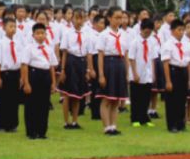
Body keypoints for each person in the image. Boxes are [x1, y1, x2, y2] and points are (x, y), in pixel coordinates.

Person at [94, 8, 130, 136]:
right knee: (106, 99)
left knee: (116, 99)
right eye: (116, 17)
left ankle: (113, 126)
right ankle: (106, 127)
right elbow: (100, 55)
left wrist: (127, 72)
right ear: (109, 18)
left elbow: (125, 54)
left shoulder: (124, 34)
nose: (119, 20)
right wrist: (101, 74)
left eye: (121, 17)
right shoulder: (104, 34)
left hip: (120, 65)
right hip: (109, 64)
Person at [21, 23, 58, 139]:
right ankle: (31, 132)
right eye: (38, 33)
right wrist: (26, 83)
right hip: (33, 74)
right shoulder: (29, 48)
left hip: (45, 75)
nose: (40, 36)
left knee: (44, 104)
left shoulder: (49, 49)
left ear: (46, 35)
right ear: (33, 35)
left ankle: (42, 131)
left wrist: (53, 82)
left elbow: (52, 66)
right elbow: (24, 65)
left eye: (42, 33)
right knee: (32, 104)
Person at [58, 9, 93, 130]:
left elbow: (88, 53)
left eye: (81, 18)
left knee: (78, 94)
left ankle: (75, 121)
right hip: (71, 62)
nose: (79, 21)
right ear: (72, 19)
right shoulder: (67, 33)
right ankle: (66, 121)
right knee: (68, 93)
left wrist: (88, 70)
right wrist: (62, 70)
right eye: (77, 18)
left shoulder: (87, 34)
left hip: (81, 62)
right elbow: (65, 52)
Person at [0, 16, 24, 132]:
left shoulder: (18, 43)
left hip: (15, 73)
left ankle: (12, 124)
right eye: (10, 26)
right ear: (4, 28)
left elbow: (21, 61)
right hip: (4, 74)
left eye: (14, 26)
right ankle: (1, 124)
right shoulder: (0, 43)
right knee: (3, 100)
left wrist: (21, 76)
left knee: (14, 100)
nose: (13, 29)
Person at [160, 19, 190, 133]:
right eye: (179, 30)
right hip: (173, 71)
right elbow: (166, 63)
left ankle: (181, 123)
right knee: (172, 100)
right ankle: (172, 124)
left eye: (183, 30)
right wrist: (168, 81)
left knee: (182, 99)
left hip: (183, 71)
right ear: (172, 31)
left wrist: (189, 79)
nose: (181, 32)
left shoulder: (185, 44)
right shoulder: (168, 44)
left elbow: (188, 62)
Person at [129, 21, 157, 128]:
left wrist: (153, 73)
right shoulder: (135, 42)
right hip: (137, 72)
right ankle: (135, 118)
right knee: (136, 97)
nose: (147, 34)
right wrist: (135, 73)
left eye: (149, 32)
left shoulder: (152, 42)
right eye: (146, 32)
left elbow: (153, 59)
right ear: (141, 29)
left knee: (146, 97)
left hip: (147, 73)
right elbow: (131, 58)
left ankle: (144, 117)